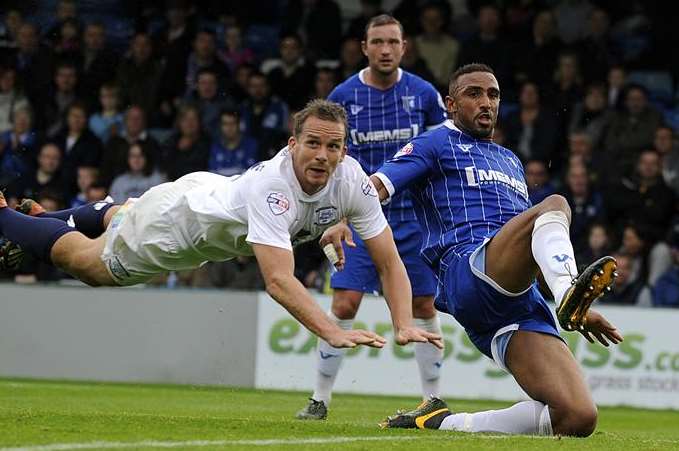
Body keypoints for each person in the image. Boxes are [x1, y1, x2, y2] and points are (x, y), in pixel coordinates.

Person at [0, 98, 441, 354]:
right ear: (292, 145)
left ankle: (43, 221)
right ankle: (7, 215)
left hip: (203, 191)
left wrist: (401, 322)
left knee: (124, 216)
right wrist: (331, 329)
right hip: (180, 226)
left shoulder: (353, 182)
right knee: (91, 266)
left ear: (344, 151)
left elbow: (389, 262)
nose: (322, 155)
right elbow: (278, 281)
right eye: (312, 143)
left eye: (333, 146)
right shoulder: (276, 187)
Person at [369, 63, 621, 437]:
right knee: (555, 203)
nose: (486, 102)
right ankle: (570, 291)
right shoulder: (434, 143)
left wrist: (579, 313)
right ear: (451, 104)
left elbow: (535, 245)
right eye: (474, 94)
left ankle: (440, 421)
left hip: (516, 298)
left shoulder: (510, 161)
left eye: (493, 94)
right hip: (468, 270)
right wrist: (343, 219)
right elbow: (376, 187)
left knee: (577, 416)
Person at [296, 14, 447, 421]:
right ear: (364, 47)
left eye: (392, 42)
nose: (385, 49)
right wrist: (336, 215)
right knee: (344, 303)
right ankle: (319, 399)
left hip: (414, 219)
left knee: (423, 301)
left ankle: (433, 399)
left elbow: (445, 149)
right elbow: (329, 159)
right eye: (377, 42)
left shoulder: (425, 94)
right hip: (358, 215)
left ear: (404, 47)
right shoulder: (343, 97)